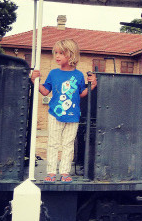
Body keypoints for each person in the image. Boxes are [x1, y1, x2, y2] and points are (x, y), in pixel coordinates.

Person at [31, 39, 97, 183]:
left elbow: (80, 94)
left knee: (68, 145)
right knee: (53, 143)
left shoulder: (78, 75)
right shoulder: (53, 73)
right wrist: (35, 81)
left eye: (61, 53)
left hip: (73, 115)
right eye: (56, 53)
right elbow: (45, 91)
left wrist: (91, 86)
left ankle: (65, 172)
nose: (57, 56)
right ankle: (51, 172)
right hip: (55, 114)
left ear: (71, 55)